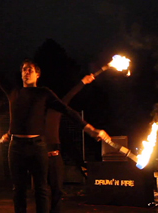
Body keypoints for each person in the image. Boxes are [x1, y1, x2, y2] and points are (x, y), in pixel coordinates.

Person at [0, 42, 111, 213]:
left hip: (38, 147)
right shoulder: (14, 92)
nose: (27, 72)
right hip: (16, 148)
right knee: (19, 190)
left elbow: (67, 109)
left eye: (30, 69)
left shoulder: (44, 93)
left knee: (41, 189)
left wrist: (89, 128)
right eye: (24, 69)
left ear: (37, 74)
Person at [45, 73, 95, 213]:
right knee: (41, 190)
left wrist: (83, 82)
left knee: (57, 190)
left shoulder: (56, 108)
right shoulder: (35, 113)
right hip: (39, 155)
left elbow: (69, 96)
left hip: (55, 155)